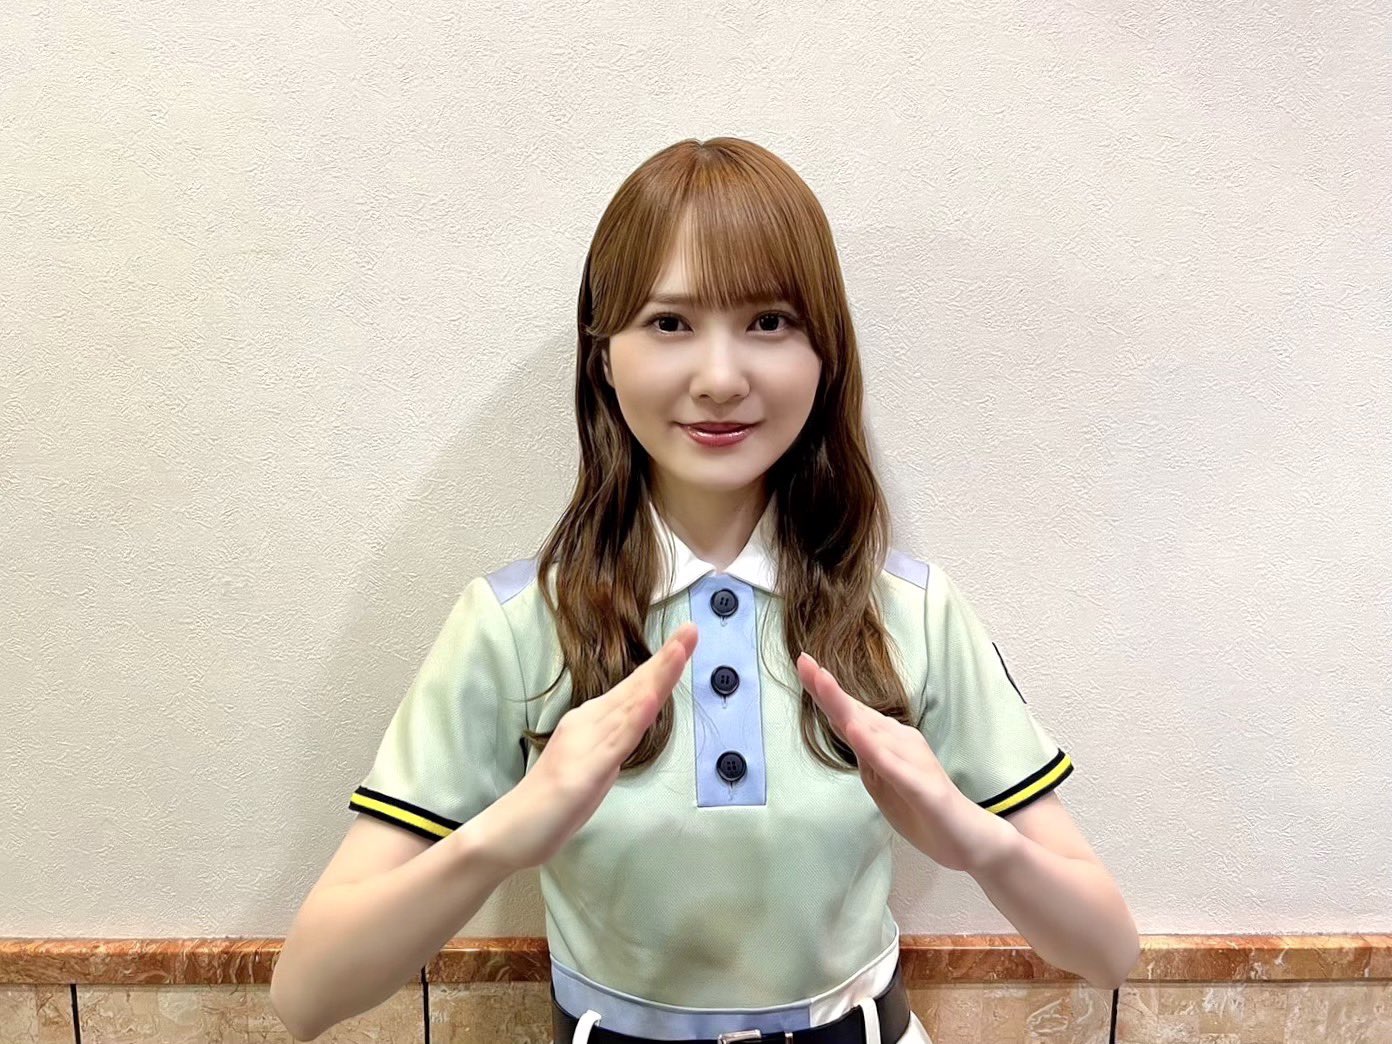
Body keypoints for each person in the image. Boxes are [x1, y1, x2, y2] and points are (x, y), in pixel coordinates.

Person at [270, 137, 1140, 1044]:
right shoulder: (514, 625)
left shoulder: (912, 613)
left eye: (769, 321)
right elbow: (306, 995)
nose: (721, 380)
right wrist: (507, 833)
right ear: (603, 356)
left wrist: (971, 838)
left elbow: (1108, 951)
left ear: (826, 354)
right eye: (669, 323)